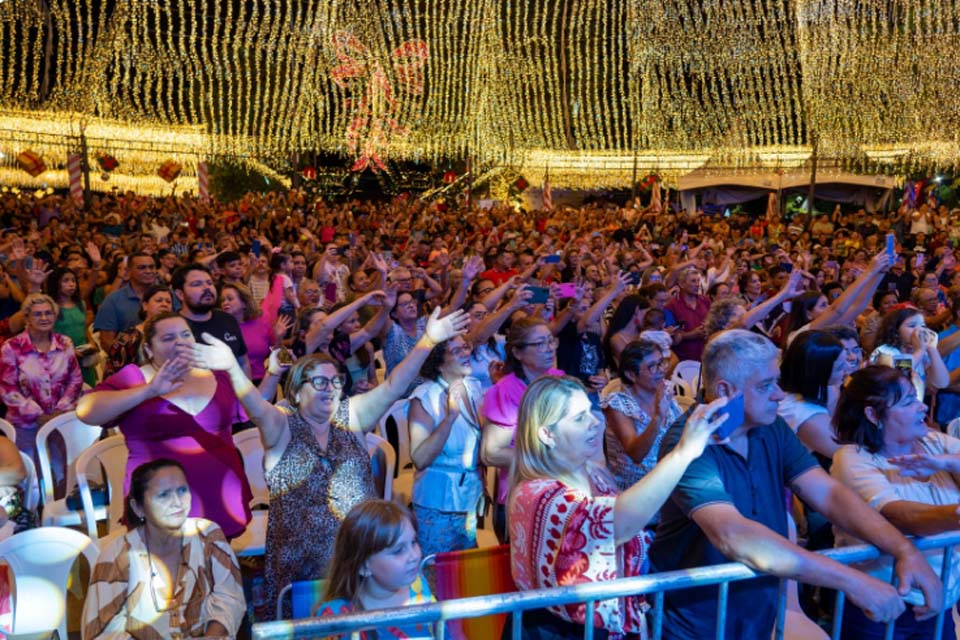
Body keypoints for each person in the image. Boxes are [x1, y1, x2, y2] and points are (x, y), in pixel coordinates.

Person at [649, 329, 942, 640]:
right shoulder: (689, 442)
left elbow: (828, 493)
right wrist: (851, 581)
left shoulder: (770, 426)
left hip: (758, 611)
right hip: (695, 622)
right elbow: (731, 534)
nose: (778, 394)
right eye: (766, 386)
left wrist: (903, 548)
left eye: (776, 381)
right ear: (725, 390)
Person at [189, 306, 469, 615]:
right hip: (303, 573)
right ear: (295, 392)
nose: (330, 389)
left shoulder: (351, 416)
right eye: (319, 383)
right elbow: (256, 406)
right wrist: (232, 369)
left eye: (335, 382)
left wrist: (428, 340)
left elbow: (393, 387)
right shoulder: (282, 426)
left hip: (362, 564)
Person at [508, 375, 727, 638]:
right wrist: (682, 453)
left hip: (598, 626)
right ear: (546, 434)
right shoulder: (535, 493)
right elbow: (617, 526)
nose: (595, 422)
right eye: (579, 418)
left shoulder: (595, 473)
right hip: (555, 631)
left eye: (590, 411)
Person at [76, 312, 253, 538]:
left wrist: (274, 373)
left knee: (218, 565)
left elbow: (253, 410)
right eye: (168, 338)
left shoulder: (218, 375)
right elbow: (85, 410)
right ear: (149, 349)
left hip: (220, 493)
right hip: (162, 497)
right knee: (167, 569)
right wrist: (149, 391)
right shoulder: (136, 377)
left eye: (185, 334)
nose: (179, 342)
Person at [831, 366, 960, 639]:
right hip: (883, 604)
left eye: (917, 397)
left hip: (939, 597)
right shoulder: (853, 458)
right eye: (908, 401)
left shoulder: (933, 442)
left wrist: (947, 462)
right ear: (873, 414)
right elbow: (901, 517)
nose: (922, 407)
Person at [82, 459, 245, 639]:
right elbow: (104, 632)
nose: (177, 502)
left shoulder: (208, 536)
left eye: (182, 490)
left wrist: (212, 636)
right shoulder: (117, 556)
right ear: (138, 508)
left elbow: (230, 598)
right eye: (163, 495)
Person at [481, 317, 564, 538]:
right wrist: (545, 459)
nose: (549, 349)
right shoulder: (505, 391)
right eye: (540, 344)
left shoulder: (559, 379)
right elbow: (491, 453)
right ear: (518, 353)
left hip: (560, 490)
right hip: (522, 495)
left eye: (550, 341)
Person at [408, 335, 485, 556]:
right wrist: (450, 417)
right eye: (456, 351)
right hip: (437, 504)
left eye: (466, 346)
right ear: (439, 363)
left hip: (470, 497)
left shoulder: (473, 386)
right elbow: (420, 458)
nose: (466, 353)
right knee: (437, 573)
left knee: (464, 571)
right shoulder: (424, 398)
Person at [314, 500, 434, 637]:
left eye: (413, 542)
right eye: (398, 550)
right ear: (364, 567)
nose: (414, 556)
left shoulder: (418, 586)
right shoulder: (336, 619)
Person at [0, 293, 82, 465]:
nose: (44, 318)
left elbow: (75, 380)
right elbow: (7, 390)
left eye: (48, 313)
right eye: (37, 314)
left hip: (61, 419)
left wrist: (60, 411)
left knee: (63, 470)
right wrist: (37, 415)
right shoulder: (11, 347)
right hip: (24, 424)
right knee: (32, 477)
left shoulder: (65, 342)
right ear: (27, 318)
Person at [601, 339, 682, 492]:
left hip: (668, 481)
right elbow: (636, 454)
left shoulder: (665, 396)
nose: (661, 370)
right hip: (636, 491)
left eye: (661, 362)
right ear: (631, 375)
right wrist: (658, 416)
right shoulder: (617, 404)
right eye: (652, 366)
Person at [778, 330, 850, 460]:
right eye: (840, 367)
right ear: (819, 373)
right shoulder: (804, 413)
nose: (847, 368)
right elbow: (848, 458)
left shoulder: (821, 389)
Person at [870, 306, 949, 400]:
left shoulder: (920, 354)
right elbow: (899, 368)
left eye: (923, 326)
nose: (920, 330)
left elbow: (942, 382)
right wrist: (920, 350)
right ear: (895, 331)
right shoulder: (885, 351)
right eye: (912, 326)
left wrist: (932, 349)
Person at [102, 284, 173, 378]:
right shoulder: (128, 338)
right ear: (145, 305)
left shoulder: (175, 335)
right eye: (159, 301)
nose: (164, 304)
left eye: (168, 302)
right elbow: (114, 374)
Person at [93, 253, 159, 352]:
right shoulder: (113, 300)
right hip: (130, 362)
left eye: (151, 267)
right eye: (142, 267)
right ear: (128, 272)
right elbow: (107, 342)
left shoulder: (166, 296)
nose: (148, 271)